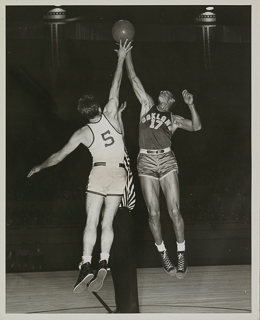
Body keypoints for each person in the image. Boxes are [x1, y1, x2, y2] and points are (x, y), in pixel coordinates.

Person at [27, 39, 133, 293]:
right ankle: (104, 260)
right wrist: (120, 57)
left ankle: (86, 264)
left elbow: (59, 156)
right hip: (119, 172)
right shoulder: (110, 112)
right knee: (108, 222)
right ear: (97, 106)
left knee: (91, 221)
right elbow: (116, 83)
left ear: (84, 113)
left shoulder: (83, 132)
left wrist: (40, 167)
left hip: (99, 172)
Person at [125, 49, 201, 279]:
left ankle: (181, 254)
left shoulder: (174, 118)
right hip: (146, 159)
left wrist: (191, 105)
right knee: (153, 213)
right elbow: (134, 79)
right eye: (163, 91)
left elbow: (196, 127)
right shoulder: (146, 105)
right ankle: (163, 253)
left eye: (167, 93)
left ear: (171, 102)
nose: (163, 91)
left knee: (174, 210)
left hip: (166, 159)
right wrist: (127, 54)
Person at [109, 103, 139, 313]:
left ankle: (129, 310)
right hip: (115, 217)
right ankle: (123, 308)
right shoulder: (114, 157)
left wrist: (118, 117)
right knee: (118, 265)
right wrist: (118, 116)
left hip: (122, 215)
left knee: (124, 264)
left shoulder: (120, 156)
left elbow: (121, 135)